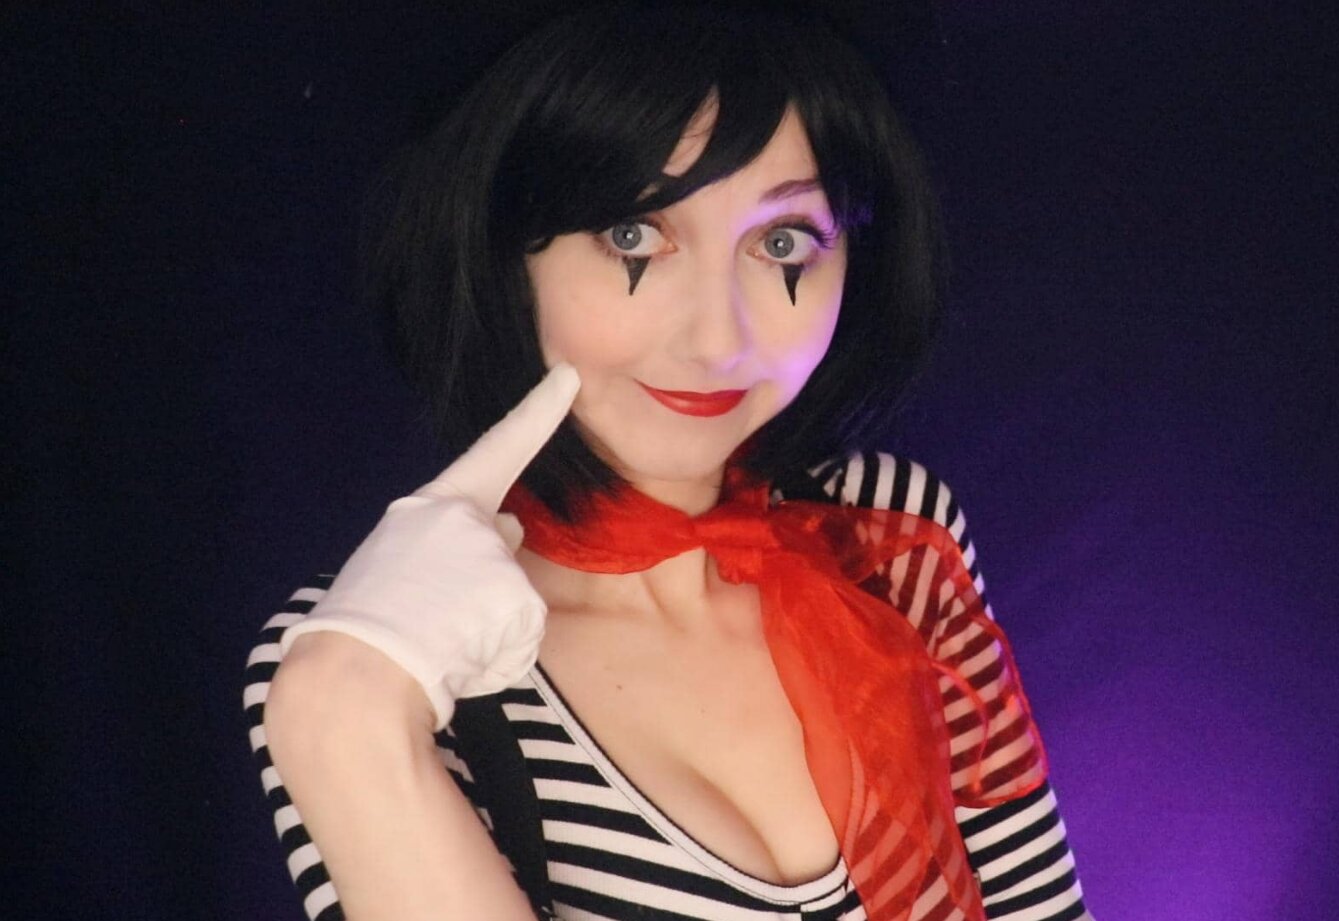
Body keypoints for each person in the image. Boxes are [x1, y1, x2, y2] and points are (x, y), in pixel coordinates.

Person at [243, 4, 1095, 920]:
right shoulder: (378, 654)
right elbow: (346, 703)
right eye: (633, 234)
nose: (717, 340)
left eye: (781, 243)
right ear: (505, 254)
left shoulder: (884, 531)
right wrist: (344, 709)